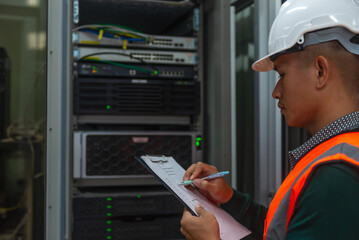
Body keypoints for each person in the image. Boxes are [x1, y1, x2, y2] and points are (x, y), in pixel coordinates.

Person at [180, 0, 359, 239]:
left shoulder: (336, 176)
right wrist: (230, 199)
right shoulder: (341, 154)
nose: (276, 91)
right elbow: (286, 229)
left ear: (320, 71)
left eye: (282, 74)